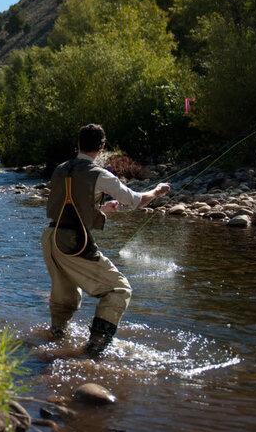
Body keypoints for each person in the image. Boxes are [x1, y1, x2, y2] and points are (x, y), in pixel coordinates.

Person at [41, 124, 170, 359]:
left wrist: (101, 209)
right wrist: (157, 191)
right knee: (119, 290)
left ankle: (53, 341)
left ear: (78, 144)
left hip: (50, 238)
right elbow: (137, 201)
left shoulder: (60, 169)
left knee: (65, 297)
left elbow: (67, 207)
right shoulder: (100, 175)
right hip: (72, 242)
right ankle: (94, 350)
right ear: (102, 146)